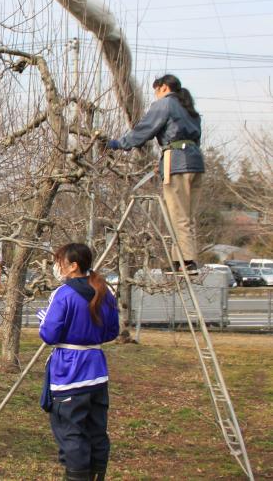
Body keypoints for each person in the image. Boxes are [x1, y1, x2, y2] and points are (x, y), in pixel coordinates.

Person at [37, 243, 119, 481]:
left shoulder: (63, 294)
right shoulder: (104, 291)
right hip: (96, 369)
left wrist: (45, 322)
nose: (56, 266)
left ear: (73, 266)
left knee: (71, 432)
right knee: (96, 431)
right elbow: (111, 331)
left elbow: (49, 335)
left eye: (59, 261)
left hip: (69, 372)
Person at [107, 74, 204, 273]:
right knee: (188, 216)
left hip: (176, 162)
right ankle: (182, 260)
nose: (156, 95)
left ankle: (186, 262)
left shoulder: (165, 104)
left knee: (177, 215)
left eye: (156, 90)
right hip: (196, 163)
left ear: (164, 87)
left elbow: (144, 129)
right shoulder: (189, 108)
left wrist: (119, 144)